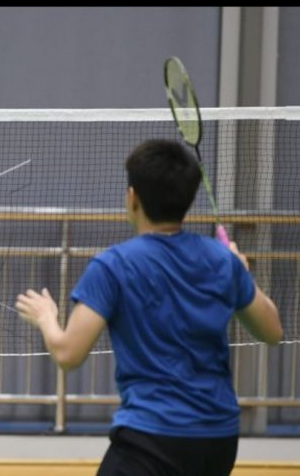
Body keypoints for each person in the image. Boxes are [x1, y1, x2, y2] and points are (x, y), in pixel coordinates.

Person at [15, 139, 282, 476]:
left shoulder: (114, 265)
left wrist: (46, 318)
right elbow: (272, 331)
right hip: (218, 441)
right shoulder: (222, 261)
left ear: (132, 198)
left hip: (152, 438)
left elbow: (68, 354)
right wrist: (242, 273)